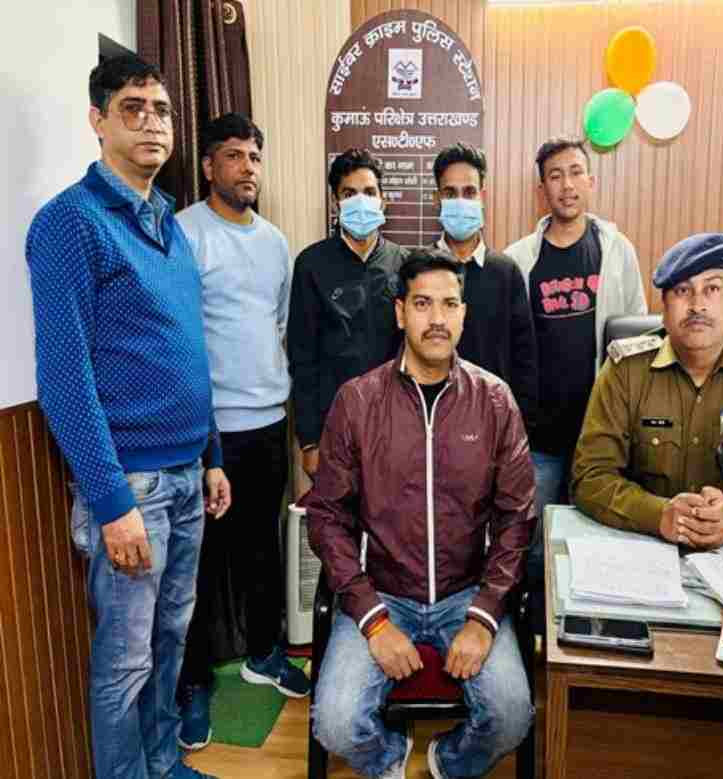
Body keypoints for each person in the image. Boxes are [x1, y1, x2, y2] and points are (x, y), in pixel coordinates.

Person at [25, 55, 230, 779]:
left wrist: (211, 456)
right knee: (125, 663)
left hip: (186, 475)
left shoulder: (168, 223)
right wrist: (113, 504)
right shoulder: (69, 224)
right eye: (133, 108)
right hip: (132, 488)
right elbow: (63, 378)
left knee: (170, 643)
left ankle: (164, 765)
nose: (152, 123)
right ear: (98, 120)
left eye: (162, 110)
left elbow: (188, 349)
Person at [306, 249, 535, 779]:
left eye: (449, 304)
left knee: (510, 716)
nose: (437, 319)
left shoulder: (495, 401)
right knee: (335, 724)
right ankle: (389, 758)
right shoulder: (357, 402)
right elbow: (327, 517)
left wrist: (484, 615)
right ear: (400, 313)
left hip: (467, 592)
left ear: (464, 314)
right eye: (423, 303)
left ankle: (446, 762)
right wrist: (372, 618)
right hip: (382, 592)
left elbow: (516, 519)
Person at [174, 113, 309, 752]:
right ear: (209, 167)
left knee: (262, 550)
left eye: (254, 156)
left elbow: (275, 323)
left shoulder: (275, 243)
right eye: (233, 155)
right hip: (209, 433)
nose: (247, 167)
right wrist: (205, 442)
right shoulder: (184, 234)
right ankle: (195, 682)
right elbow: (178, 333)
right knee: (201, 563)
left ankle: (262, 653)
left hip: (269, 422)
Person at [572, 233, 723, 547]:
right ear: (664, 310)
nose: (697, 305)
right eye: (682, 291)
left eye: (712, 289)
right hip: (646, 547)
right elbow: (590, 477)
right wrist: (657, 515)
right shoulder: (625, 369)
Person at [504, 136, 647, 628]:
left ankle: (585, 637)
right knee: (533, 546)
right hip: (538, 438)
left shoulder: (617, 251)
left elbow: (637, 341)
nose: (566, 184)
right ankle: (533, 638)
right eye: (555, 175)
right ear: (541, 189)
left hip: (600, 436)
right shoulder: (519, 258)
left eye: (574, 172)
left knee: (597, 543)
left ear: (591, 181)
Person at [287, 148, 406, 495]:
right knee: (339, 523)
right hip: (333, 428)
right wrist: (310, 441)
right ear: (335, 202)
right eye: (349, 193)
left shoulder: (405, 264)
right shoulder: (311, 264)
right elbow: (302, 357)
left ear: (383, 200)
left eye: (369, 192)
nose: (361, 201)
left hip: (395, 427)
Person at [431, 142, 537, 433]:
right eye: (450, 193)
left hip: (494, 425)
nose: (460, 201)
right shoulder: (419, 270)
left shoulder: (506, 272)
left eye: (469, 192)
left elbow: (524, 360)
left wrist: (518, 428)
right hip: (433, 423)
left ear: (482, 197)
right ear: (436, 199)